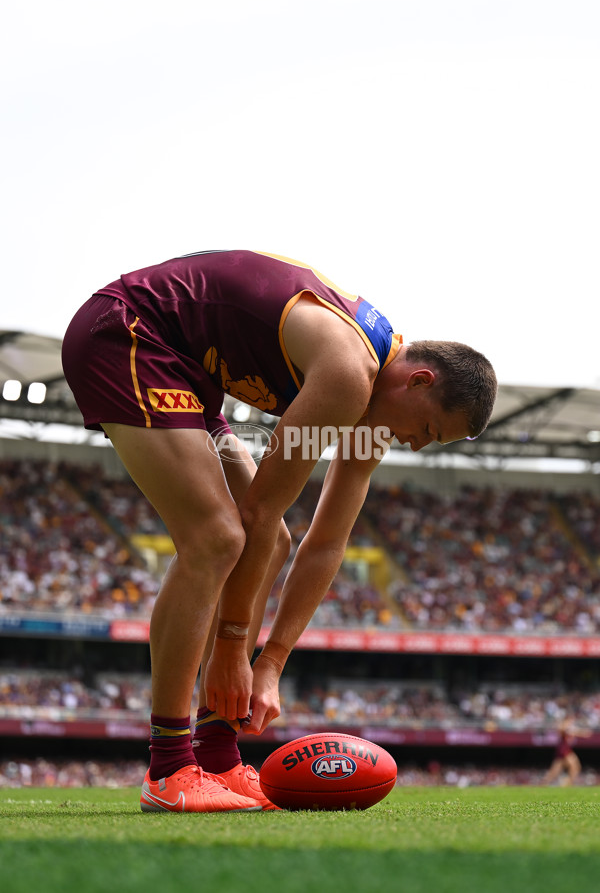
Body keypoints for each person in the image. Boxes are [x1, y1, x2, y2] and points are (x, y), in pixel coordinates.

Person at [61, 249, 497, 812]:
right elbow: (259, 511)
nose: (414, 444)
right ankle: (168, 767)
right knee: (219, 537)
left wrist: (269, 664)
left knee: (273, 545)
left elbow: (326, 541)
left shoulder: (375, 414)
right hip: (128, 336)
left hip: (188, 374)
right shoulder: (348, 376)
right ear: (418, 380)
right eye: (428, 429)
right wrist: (231, 647)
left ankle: (216, 754)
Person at [544, 718, 592, 786]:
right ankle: (567, 783)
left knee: (555, 771)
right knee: (574, 767)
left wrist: (583, 733)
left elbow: (575, 733)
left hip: (564, 751)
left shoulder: (569, 730)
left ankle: (566, 782)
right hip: (564, 751)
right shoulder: (564, 729)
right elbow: (561, 729)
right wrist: (566, 724)